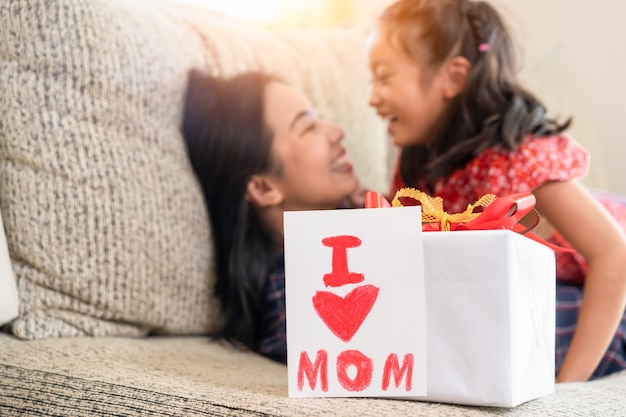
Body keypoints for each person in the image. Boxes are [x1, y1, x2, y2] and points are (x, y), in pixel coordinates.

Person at [367, 0, 626, 382]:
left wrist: (568, 388)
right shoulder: (415, 162)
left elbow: (614, 255)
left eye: (384, 77)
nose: (372, 98)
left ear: (453, 78)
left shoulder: (520, 156)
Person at [182, 70, 359, 364]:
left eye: (321, 118)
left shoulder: (375, 214)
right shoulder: (289, 304)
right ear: (263, 187)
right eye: (309, 127)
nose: (336, 131)